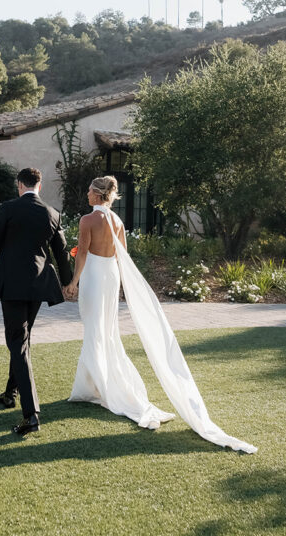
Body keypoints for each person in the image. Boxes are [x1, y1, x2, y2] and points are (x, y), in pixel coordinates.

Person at [64, 176, 257, 453]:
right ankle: (93, 384)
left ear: (97, 194)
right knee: (106, 329)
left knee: (95, 328)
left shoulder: (88, 220)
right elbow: (123, 257)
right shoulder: (117, 222)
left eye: (88, 191)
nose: (86, 194)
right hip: (111, 275)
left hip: (95, 275)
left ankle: (101, 388)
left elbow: (82, 253)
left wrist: (73, 281)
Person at [0, 166, 72, 436]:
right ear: (39, 186)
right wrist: (67, 281)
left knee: (17, 342)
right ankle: (9, 394)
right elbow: (61, 252)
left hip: (13, 285)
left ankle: (31, 415)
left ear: (20, 185)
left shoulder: (7, 209)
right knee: (22, 339)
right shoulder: (52, 213)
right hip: (39, 285)